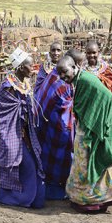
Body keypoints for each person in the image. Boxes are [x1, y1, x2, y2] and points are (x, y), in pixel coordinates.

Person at [57, 54, 112, 213]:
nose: (62, 77)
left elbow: (103, 101)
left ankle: (93, 201)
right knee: (84, 156)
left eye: (65, 72)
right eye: (59, 74)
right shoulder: (79, 80)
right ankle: (84, 199)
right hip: (96, 123)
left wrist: (93, 130)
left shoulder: (86, 81)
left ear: (74, 67)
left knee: (99, 157)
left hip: (106, 124)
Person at [0, 48, 45, 208]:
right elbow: (0, 114)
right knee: (22, 164)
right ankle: (13, 197)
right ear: (21, 67)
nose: (33, 68)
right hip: (10, 132)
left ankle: (33, 198)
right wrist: (9, 134)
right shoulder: (8, 86)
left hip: (25, 132)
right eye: (30, 65)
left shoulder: (24, 83)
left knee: (32, 164)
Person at [34, 53, 75, 200]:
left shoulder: (54, 75)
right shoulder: (62, 85)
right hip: (54, 125)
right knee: (61, 152)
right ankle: (56, 188)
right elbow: (66, 119)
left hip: (44, 124)